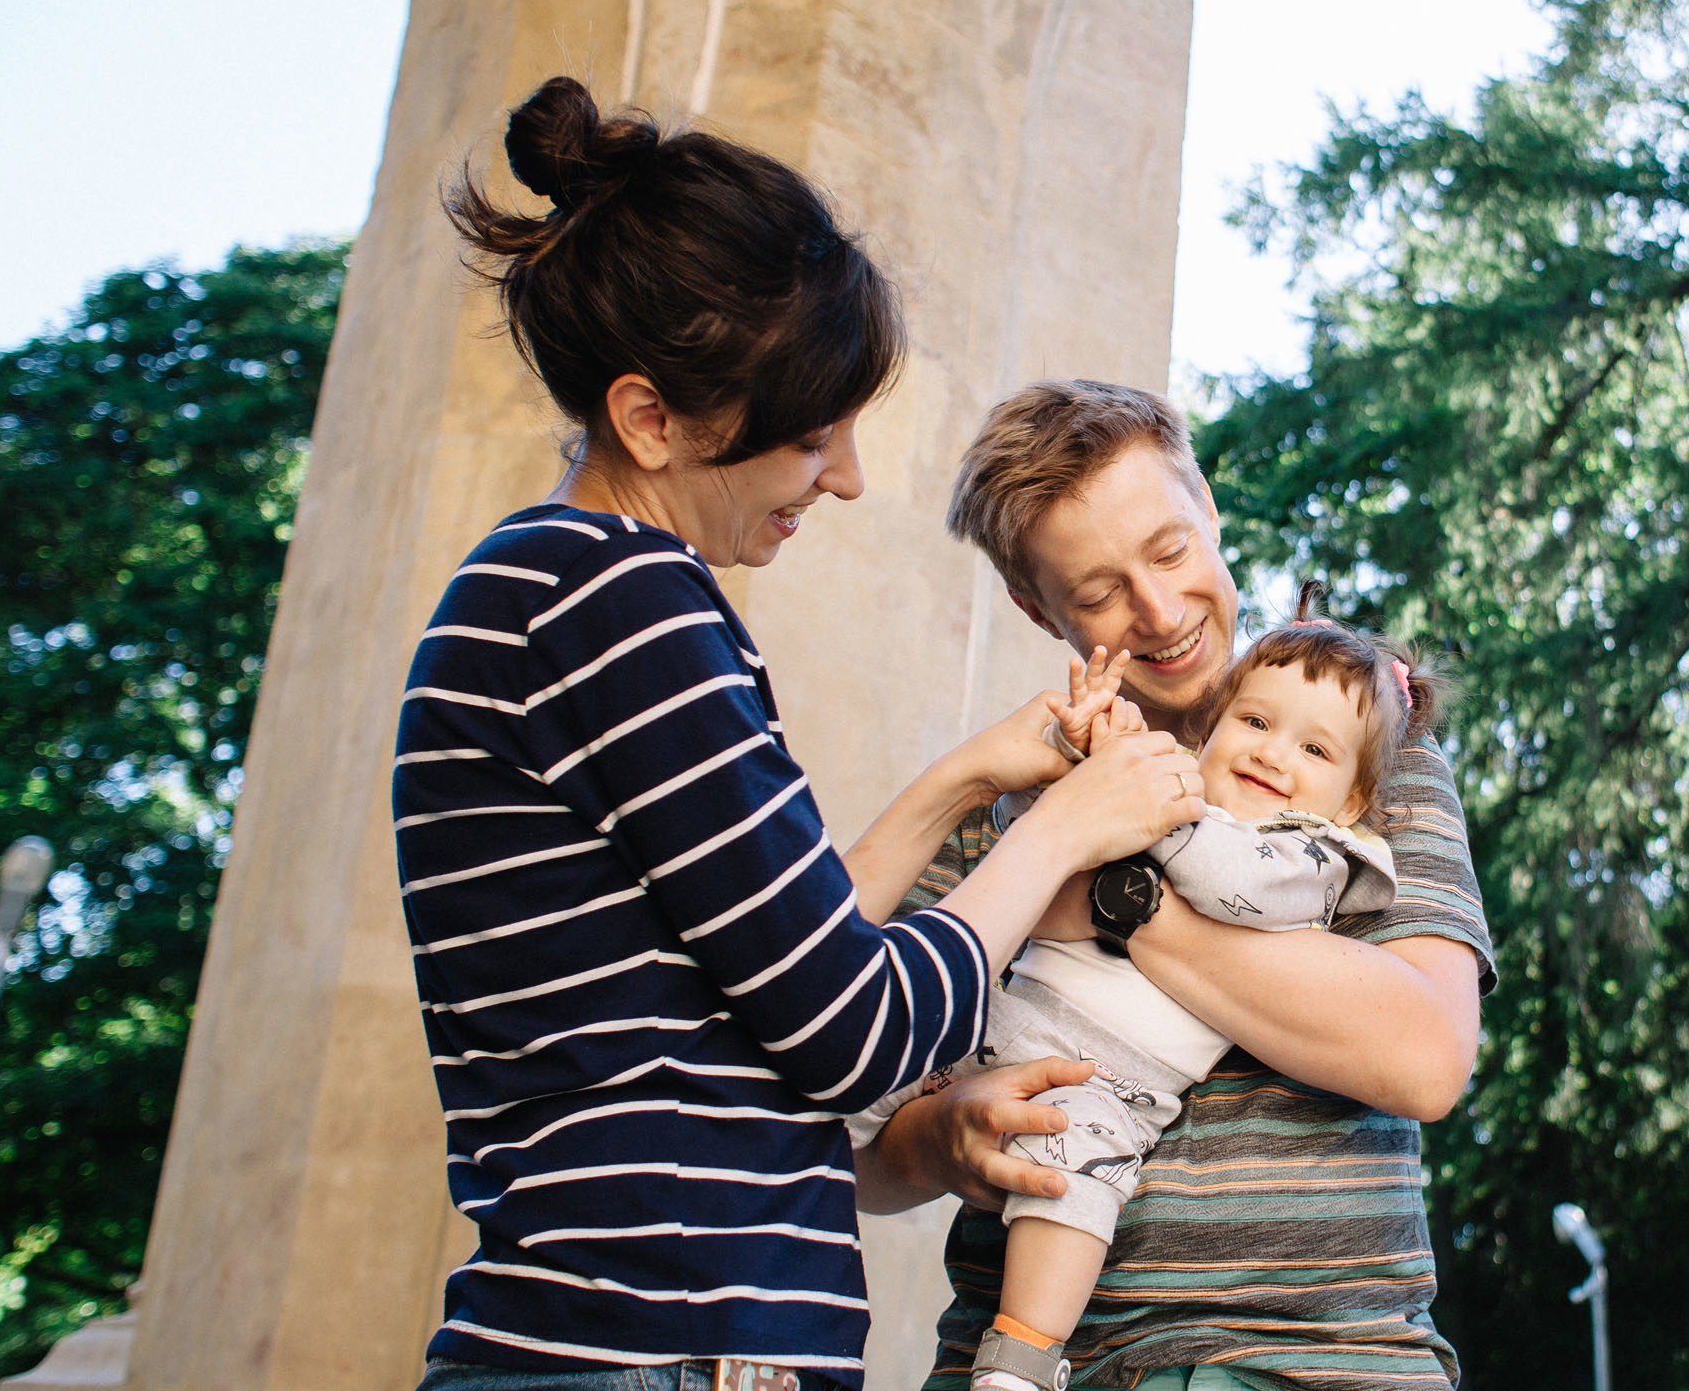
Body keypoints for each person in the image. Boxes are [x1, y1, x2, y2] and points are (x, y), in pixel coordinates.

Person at [392, 84, 1203, 1391]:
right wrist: (1069, 827)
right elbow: (856, 1033)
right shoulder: (623, 599)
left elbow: (762, 976)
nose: (846, 479)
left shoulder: (560, 589)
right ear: (652, 419)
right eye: (812, 435)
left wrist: (964, 783)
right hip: (654, 1354)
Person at [858, 380, 1497, 1391]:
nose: (1161, 613)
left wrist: (1111, 898)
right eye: (1102, 591)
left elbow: (1422, 1054)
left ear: (1208, 507)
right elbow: (856, 1138)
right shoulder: (1012, 808)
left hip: (1319, 1363)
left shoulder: (1362, 752)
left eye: (1169, 550)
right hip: (1029, 1362)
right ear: (1036, 604)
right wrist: (942, 1140)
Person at [853, 625, 1443, 1391]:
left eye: (1315, 751)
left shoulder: (1314, 858)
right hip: (992, 1027)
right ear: (1213, 728)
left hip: (1106, 1084)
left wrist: (1129, 798)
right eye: (1256, 723)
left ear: (1355, 799)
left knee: (1074, 1185)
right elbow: (1025, 838)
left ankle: (1018, 1362)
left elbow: (1221, 879)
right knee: (858, 1061)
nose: (1271, 754)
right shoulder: (1169, 786)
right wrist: (1085, 767)